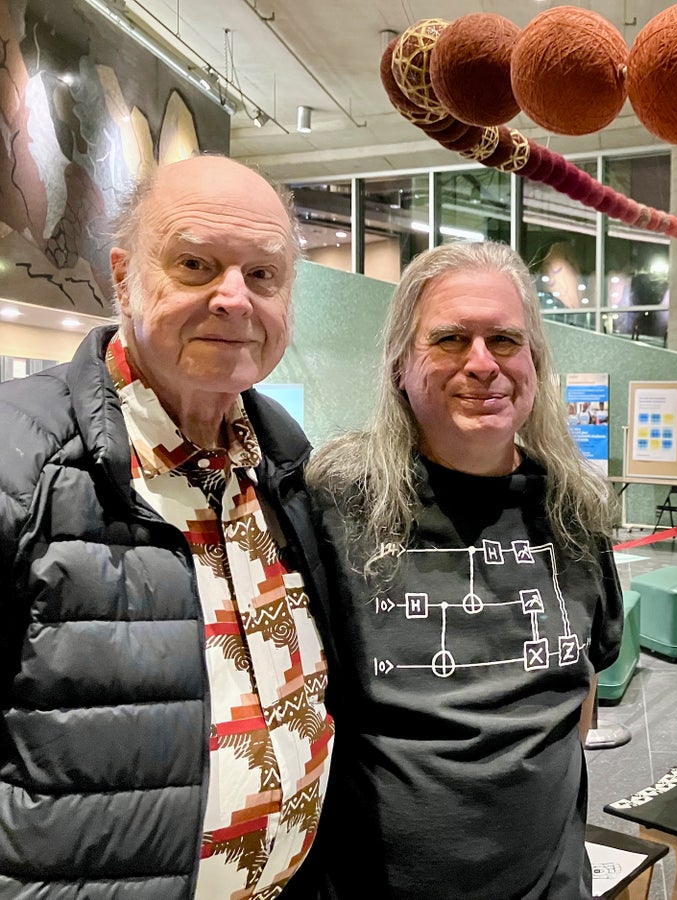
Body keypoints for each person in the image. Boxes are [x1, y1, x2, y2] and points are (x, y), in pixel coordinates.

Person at [0, 155, 334, 898]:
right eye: (194, 264)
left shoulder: (285, 466)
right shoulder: (19, 460)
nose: (233, 299)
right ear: (123, 277)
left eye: (264, 276)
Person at [305, 241, 623, 899]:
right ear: (400, 365)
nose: (482, 365)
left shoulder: (574, 513)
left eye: (505, 340)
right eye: (450, 340)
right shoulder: (335, 505)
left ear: (534, 363)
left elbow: (580, 690)